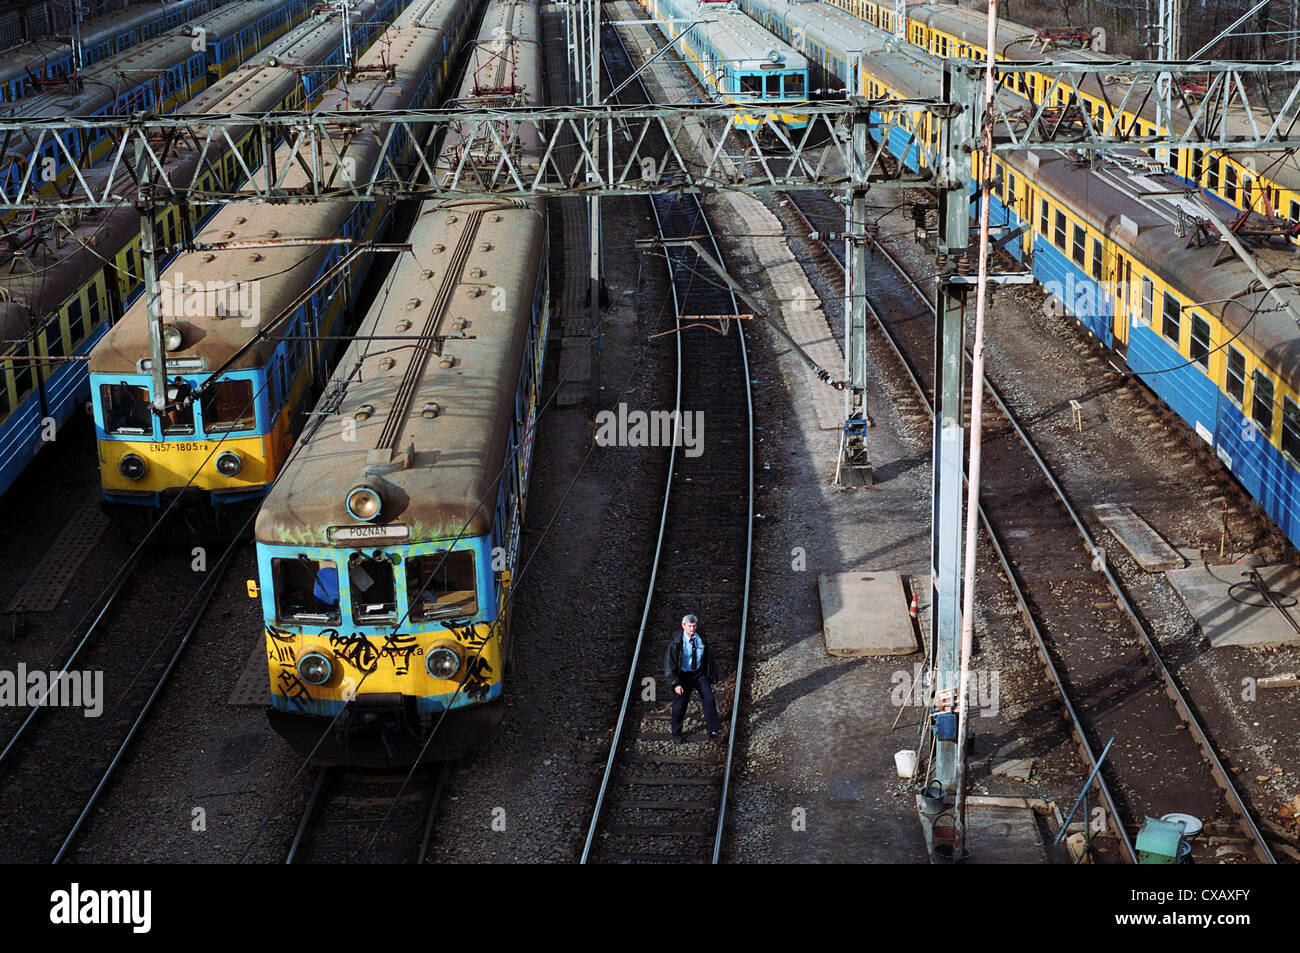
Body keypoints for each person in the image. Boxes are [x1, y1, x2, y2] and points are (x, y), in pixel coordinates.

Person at [664, 613, 723, 740]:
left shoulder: (701, 637)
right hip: (683, 675)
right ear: (683, 626)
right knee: (680, 704)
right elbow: (670, 664)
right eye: (690, 626)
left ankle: (713, 730)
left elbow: (708, 657)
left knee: (709, 699)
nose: (692, 629)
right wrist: (676, 683)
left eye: (694, 626)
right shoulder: (676, 642)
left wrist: (710, 673)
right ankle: (676, 733)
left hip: (699, 673)